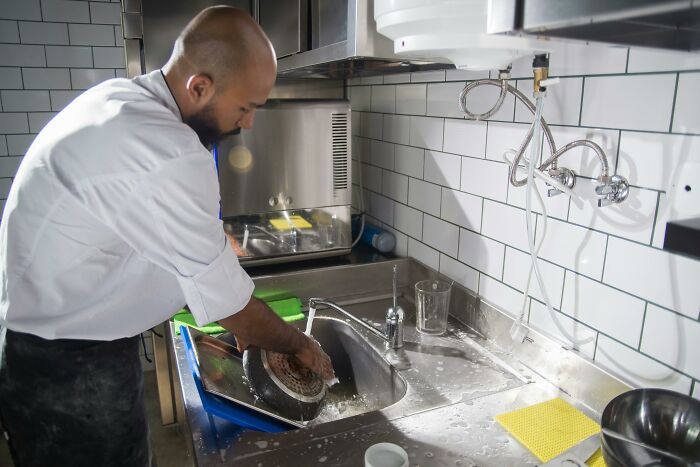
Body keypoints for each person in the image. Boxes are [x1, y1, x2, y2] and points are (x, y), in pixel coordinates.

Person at [0, 6, 334, 467]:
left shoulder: (120, 100)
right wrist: (296, 344)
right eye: (245, 107)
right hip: (69, 371)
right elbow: (230, 306)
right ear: (199, 86)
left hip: (46, 351)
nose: (249, 123)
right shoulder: (168, 150)